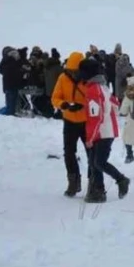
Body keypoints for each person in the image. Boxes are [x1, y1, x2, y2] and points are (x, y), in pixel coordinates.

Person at [80, 58, 129, 203]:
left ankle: (121, 180)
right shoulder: (104, 87)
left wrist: (90, 137)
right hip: (107, 130)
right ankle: (98, 191)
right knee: (93, 162)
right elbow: (115, 105)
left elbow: (96, 117)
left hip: (102, 132)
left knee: (99, 163)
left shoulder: (93, 90)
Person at [51, 52, 89, 197]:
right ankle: (73, 182)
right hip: (69, 121)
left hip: (86, 122)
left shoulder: (88, 80)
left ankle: (93, 183)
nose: (73, 74)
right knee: (69, 153)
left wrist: (82, 106)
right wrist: (64, 105)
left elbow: (95, 100)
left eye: (76, 71)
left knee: (91, 154)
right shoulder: (62, 78)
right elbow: (55, 97)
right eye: (71, 71)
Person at [0, 47, 23, 115]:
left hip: (7, 86)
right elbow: (16, 73)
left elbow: (1, 71)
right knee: (10, 109)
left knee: (10, 106)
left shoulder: (4, 61)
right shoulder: (13, 61)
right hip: (12, 86)